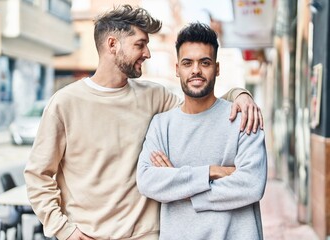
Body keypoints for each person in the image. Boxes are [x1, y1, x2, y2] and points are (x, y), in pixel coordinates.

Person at [24, 5, 263, 240]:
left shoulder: (154, 97)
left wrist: (240, 95)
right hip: (87, 234)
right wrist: (64, 230)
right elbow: (38, 175)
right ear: (112, 45)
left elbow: (202, 103)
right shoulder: (65, 103)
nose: (147, 53)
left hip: (146, 235)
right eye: (140, 44)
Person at [136, 23, 267, 240]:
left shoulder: (244, 118)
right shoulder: (161, 125)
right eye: (188, 63)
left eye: (204, 62)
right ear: (177, 69)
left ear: (217, 68)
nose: (196, 70)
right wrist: (211, 172)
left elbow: (251, 185)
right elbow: (148, 181)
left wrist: (180, 188)